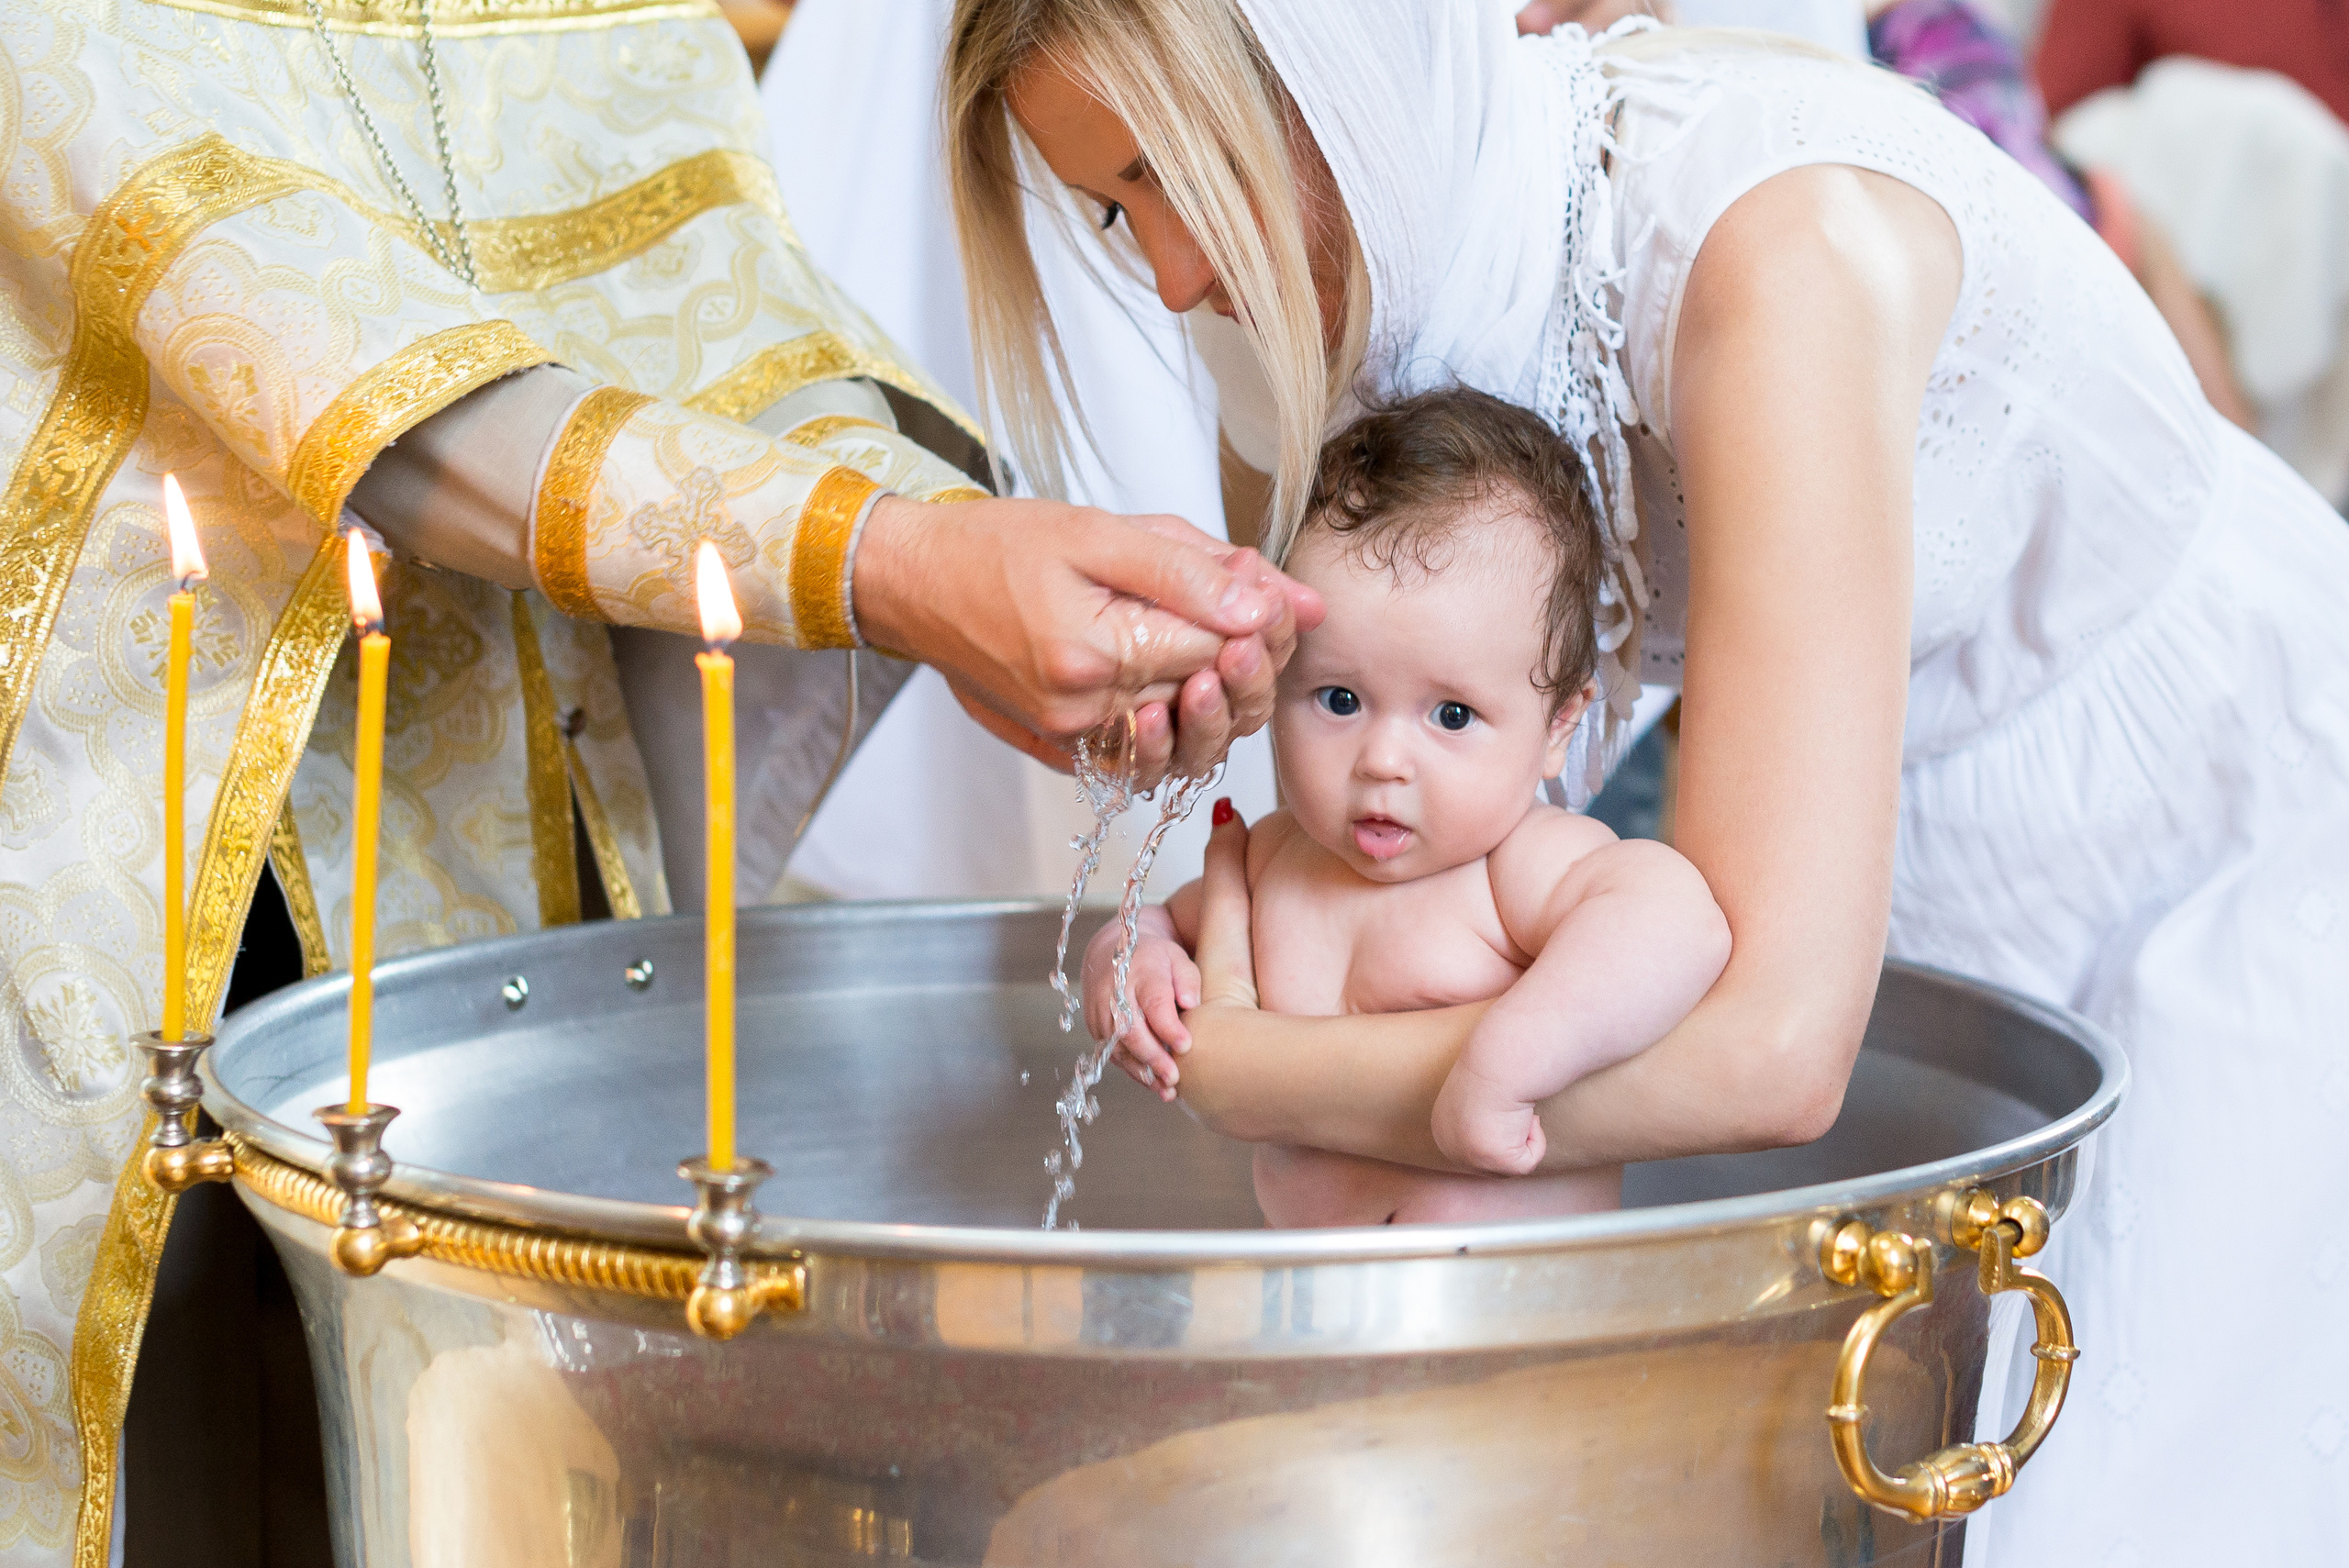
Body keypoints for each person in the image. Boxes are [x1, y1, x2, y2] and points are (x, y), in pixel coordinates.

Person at [945, 2, 2349, 1562]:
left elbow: (1769, 1060)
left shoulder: (1772, 264)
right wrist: (1181, 852)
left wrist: (1249, 1070)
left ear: (1333, 62)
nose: (1170, 274)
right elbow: (1348, 841)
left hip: (2235, 825)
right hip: (1918, 830)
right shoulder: (1326, 283)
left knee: (2126, 1498)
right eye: (1114, 207)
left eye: (1174, 171)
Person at [0, 0, 1319, 1555]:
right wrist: (904, 567)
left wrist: (957, 567)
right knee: (161, 1451)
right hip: (137, 823)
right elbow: (323, 349)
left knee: (446, 1436)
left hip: (515, 818)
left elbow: (723, 314)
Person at [1081, 388, 1729, 1226]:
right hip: (1321, 1298)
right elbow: (1158, 924)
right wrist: (1130, 957)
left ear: (1558, 726)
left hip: (1517, 1300)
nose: (1383, 760)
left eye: (1452, 715)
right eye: (1339, 699)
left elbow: (1681, 923)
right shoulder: (1273, 864)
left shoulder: (1513, 868)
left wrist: (1509, 1060)